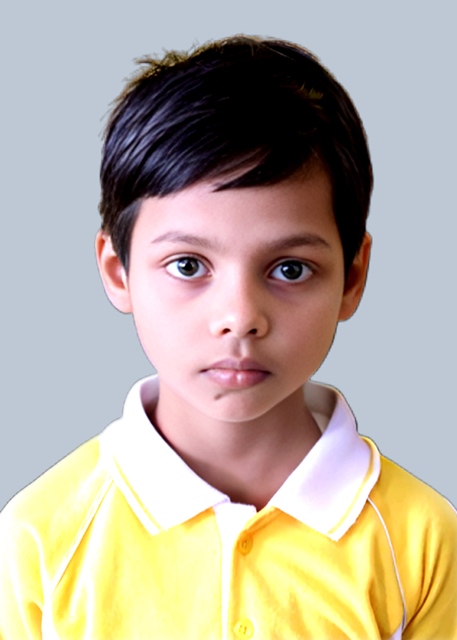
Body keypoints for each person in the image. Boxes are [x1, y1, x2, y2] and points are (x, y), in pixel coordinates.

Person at [0, 35, 455, 639]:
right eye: (188, 265)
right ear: (118, 271)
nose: (240, 317)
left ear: (352, 278)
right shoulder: (39, 537)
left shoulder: (421, 539)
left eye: (289, 269)